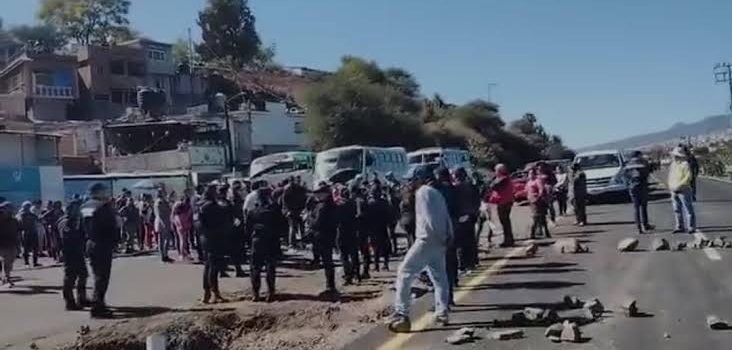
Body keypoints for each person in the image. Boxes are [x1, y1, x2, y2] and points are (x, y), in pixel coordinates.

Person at [388, 166, 453, 332]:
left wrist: (434, 237)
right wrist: (446, 238)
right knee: (440, 278)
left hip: (426, 239)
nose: (410, 182)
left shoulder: (423, 192)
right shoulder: (436, 192)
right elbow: (446, 217)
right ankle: (442, 312)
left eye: (412, 179)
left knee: (404, 272)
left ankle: (401, 314)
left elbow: (430, 219)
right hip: (440, 241)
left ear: (419, 178)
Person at [81, 183, 119, 318]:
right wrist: (115, 241)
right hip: (102, 244)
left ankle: (98, 303)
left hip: (90, 243)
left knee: (97, 275)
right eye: (104, 191)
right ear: (99, 192)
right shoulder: (103, 207)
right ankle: (98, 306)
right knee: (102, 277)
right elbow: (111, 226)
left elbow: (80, 226)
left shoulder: (85, 206)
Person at [246, 186, 287, 302]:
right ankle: (271, 292)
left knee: (255, 268)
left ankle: (255, 294)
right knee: (270, 267)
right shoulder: (274, 210)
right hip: (272, 241)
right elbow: (283, 225)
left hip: (257, 241)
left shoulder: (253, 211)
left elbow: (247, 228)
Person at [199, 185, 228, 303]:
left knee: (207, 266)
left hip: (204, 238)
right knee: (213, 267)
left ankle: (207, 293)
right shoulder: (213, 206)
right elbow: (224, 220)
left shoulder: (200, 206)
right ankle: (215, 292)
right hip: (214, 238)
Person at [59, 200, 90, 310]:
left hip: (78, 251)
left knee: (83, 274)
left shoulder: (78, 220)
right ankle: (69, 301)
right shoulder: (65, 222)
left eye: (78, 208)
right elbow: (67, 237)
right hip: (69, 252)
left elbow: (83, 235)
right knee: (70, 277)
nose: (77, 210)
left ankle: (82, 298)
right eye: (75, 208)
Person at [310, 182, 339, 297]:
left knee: (327, 262)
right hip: (327, 235)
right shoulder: (328, 204)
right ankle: (330, 286)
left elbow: (317, 222)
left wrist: (310, 220)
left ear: (325, 194)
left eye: (318, 193)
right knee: (328, 262)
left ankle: (330, 287)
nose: (316, 195)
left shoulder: (323, 206)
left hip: (323, 236)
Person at [453, 168, 481, 272]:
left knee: (460, 242)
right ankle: (473, 261)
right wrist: (475, 211)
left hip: (461, 217)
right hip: (472, 215)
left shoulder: (455, 189)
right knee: (471, 239)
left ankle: (463, 264)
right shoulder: (472, 187)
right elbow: (477, 200)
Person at [668, 147, 697, 233]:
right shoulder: (673, 165)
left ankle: (691, 227)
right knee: (676, 209)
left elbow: (688, 177)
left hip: (684, 189)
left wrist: (680, 185)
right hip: (673, 190)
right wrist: (671, 186)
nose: (674, 157)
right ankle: (679, 226)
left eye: (675, 155)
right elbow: (671, 176)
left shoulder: (685, 164)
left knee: (688, 209)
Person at [625, 151, 655, 234]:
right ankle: (645, 224)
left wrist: (629, 185)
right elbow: (649, 172)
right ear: (638, 156)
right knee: (644, 207)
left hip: (632, 187)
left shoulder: (628, 165)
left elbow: (625, 176)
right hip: (642, 186)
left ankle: (638, 227)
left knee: (636, 208)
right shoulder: (643, 163)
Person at [335, 186, 361, 285]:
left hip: (342, 232)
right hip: (353, 231)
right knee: (354, 255)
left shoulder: (338, 206)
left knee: (344, 256)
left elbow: (336, 220)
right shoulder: (353, 204)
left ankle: (348, 276)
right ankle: (357, 274)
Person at [365, 186, 392, 271]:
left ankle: (376, 266)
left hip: (373, 227)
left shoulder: (369, 203)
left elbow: (367, 217)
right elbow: (389, 215)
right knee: (385, 246)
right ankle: (386, 264)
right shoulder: (385, 202)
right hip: (383, 226)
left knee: (375, 247)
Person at [487, 164, 515, 247]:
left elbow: (493, 186)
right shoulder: (505, 178)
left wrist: (493, 180)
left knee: (504, 222)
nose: (495, 172)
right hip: (505, 202)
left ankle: (508, 240)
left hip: (504, 202)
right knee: (505, 221)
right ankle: (509, 239)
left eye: (496, 171)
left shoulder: (504, 179)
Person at [282, 177, 307, 249]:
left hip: (292, 210)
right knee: (301, 227)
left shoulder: (286, 189)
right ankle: (303, 242)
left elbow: (284, 201)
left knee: (292, 227)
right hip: (299, 209)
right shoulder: (300, 188)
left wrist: (286, 210)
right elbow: (304, 198)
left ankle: (292, 244)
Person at [527, 168, 551, 239]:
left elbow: (541, 190)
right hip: (532, 201)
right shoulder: (529, 182)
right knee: (541, 218)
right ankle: (546, 233)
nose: (530, 175)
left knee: (536, 217)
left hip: (537, 202)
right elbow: (528, 191)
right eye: (529, 173)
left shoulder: (537, 181)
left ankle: (532, 233)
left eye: (531, 173)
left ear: (534, 174)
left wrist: (538, 198)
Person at [0, 202, 19, 286]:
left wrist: (18, 245)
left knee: (9, 261)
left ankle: (6, 277)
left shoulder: (14, 220)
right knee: (4, 261)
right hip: (1, 243)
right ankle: (5, 277)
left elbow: (18, 232)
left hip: (11, 244)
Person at [17, 201, 41, 267]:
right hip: (25, 232)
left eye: (28, 206)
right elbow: (19, 223)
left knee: (35, 248)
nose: (27, 208)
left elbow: (38, 219)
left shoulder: (32, 214)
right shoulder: (21, 215)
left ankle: (35, 262)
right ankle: (26, 262)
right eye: (26, 206)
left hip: (33, 232)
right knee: (25, 248)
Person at [154, 188, 174, 263]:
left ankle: (164, 255)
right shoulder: (160, 202)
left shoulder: (159, 201)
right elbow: (162, 213)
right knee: (164, 240)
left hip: (161, 221)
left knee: (162, 240)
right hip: (163, 221)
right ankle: (164, 255)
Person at [172, 191, 194, 261]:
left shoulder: (177, 208)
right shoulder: (187, 209)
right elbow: (189, 215)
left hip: (179, 223)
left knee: (181, 239)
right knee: (183, 240)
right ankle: (182, 254)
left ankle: (182, 254)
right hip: (184, 224)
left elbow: (173, 214)